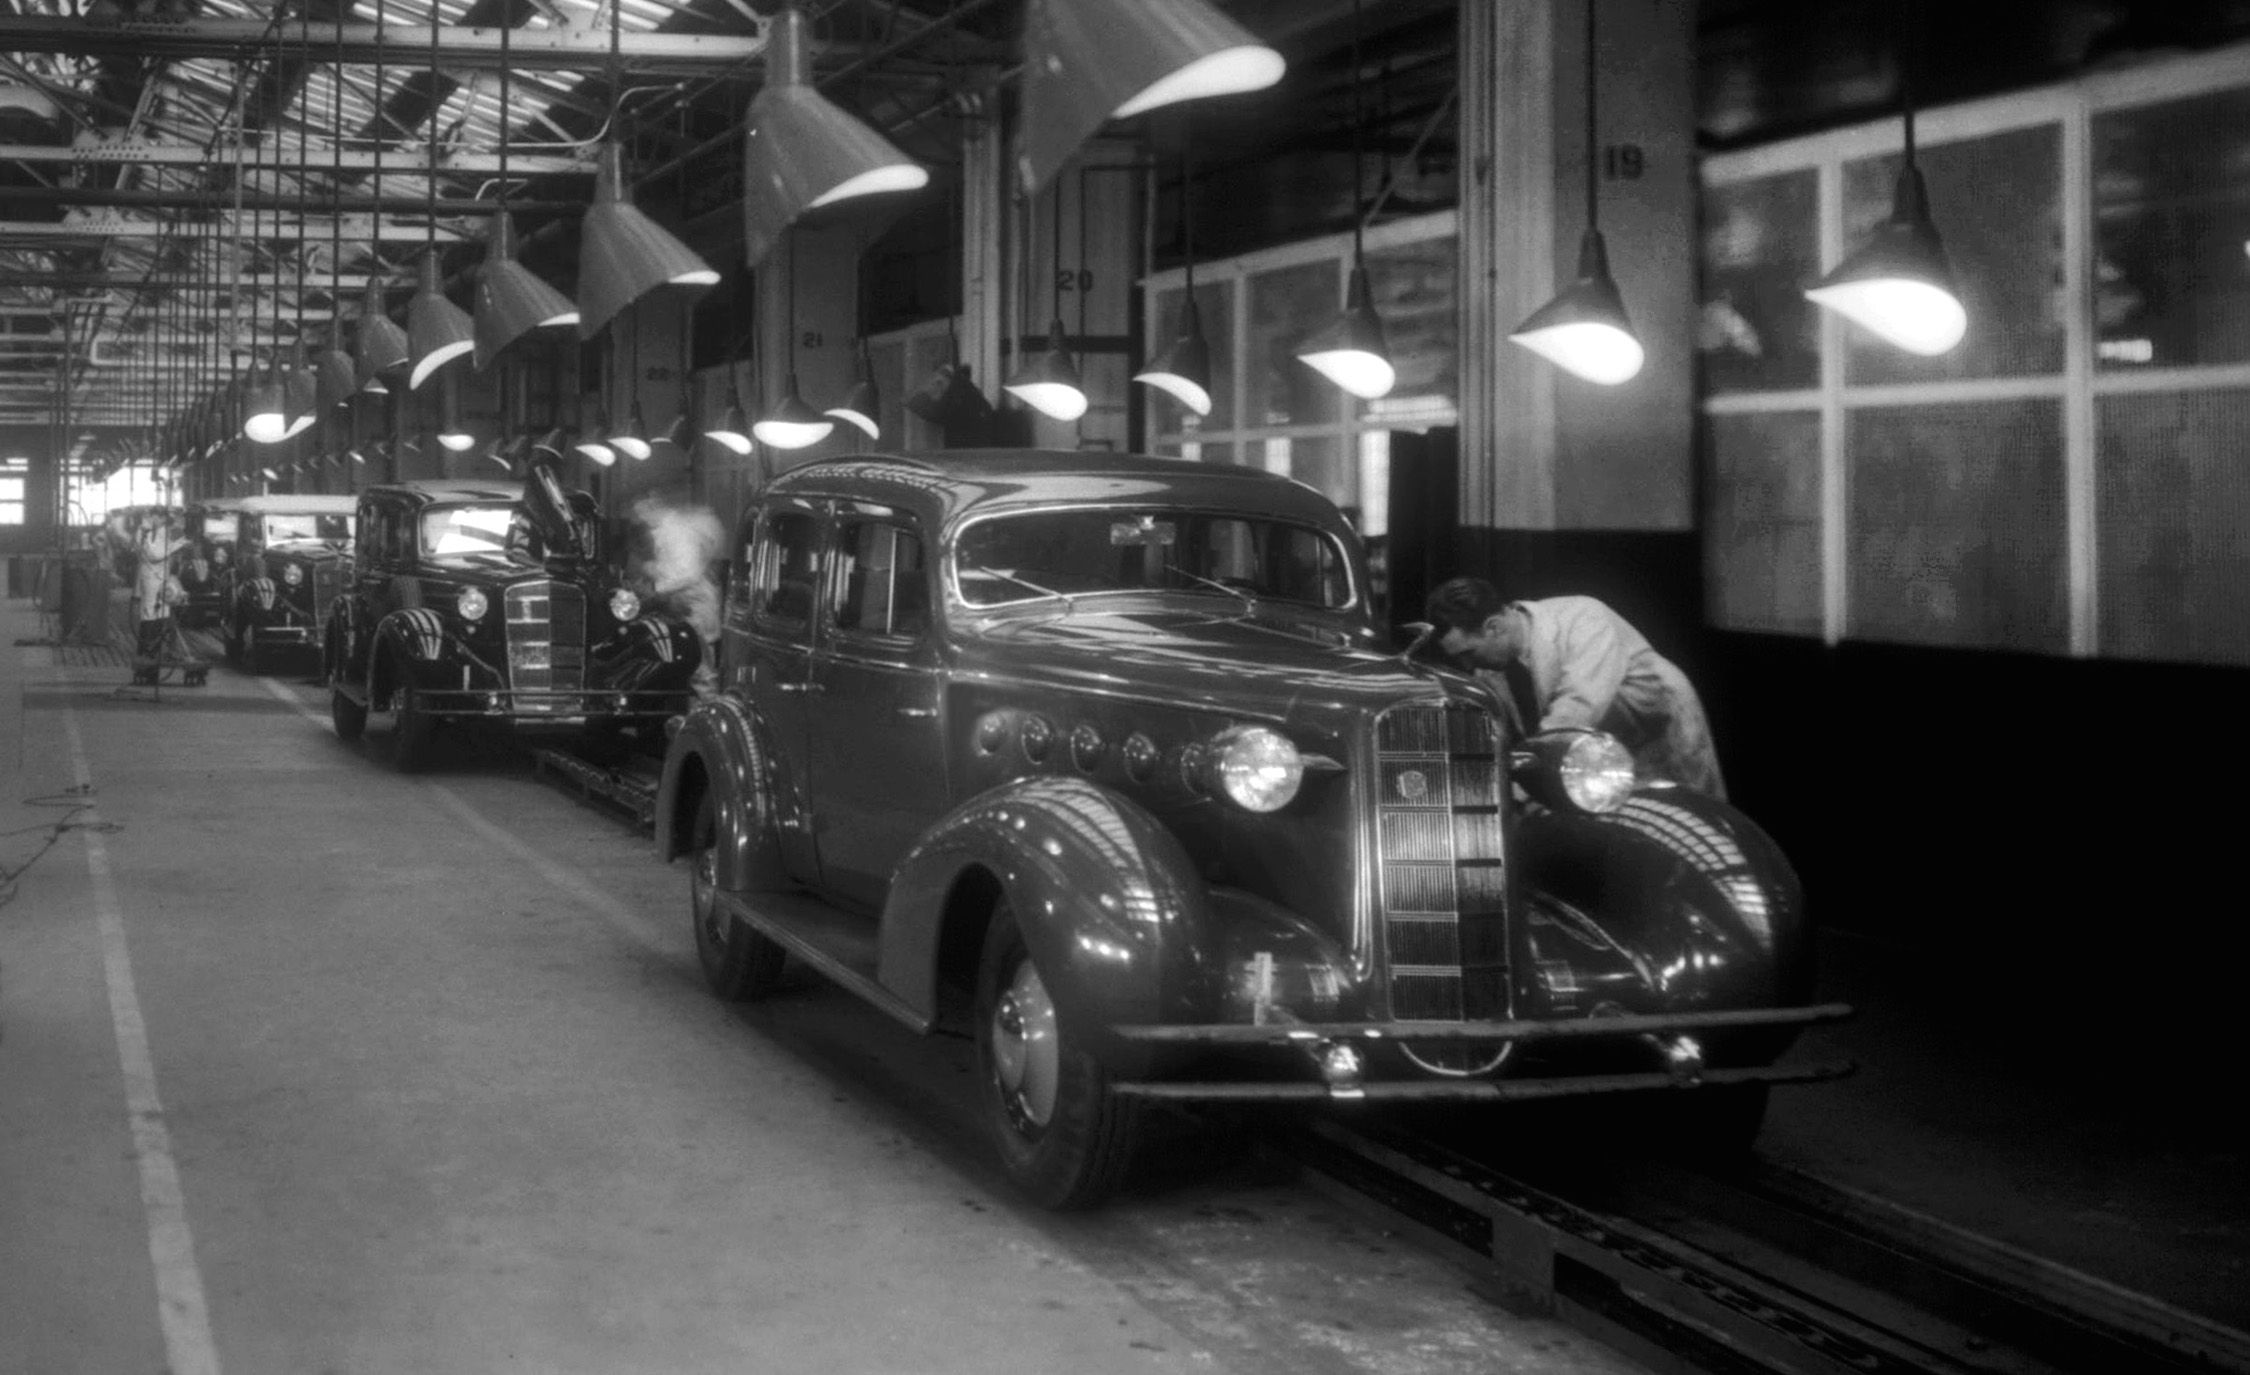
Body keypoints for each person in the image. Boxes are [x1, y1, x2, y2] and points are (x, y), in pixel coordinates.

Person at [1425, 576, 1726, 798]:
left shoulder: (1585, 618)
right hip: (1600, 749)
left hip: (1657, 731)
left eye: (1468, 653)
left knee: (1688, 825)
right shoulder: (1492, 664)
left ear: (1494, 627)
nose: (1467, 667)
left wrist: (1524, 784)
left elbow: (1577, 709)